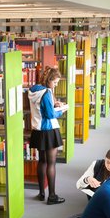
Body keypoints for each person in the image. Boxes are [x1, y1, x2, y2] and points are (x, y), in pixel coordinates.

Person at [28, 66, 66, 205]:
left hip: (37, 130)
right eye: (55, 82)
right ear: (49, 80)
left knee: (42, 161)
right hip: (49, 130)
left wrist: (53, 103)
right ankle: (52, 196)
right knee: (51, 163)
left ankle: (41, 193)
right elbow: (50, 115)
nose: (56, 85)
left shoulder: (34, 91)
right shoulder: (47, 93)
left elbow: (41, 107)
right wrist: (61, 110)